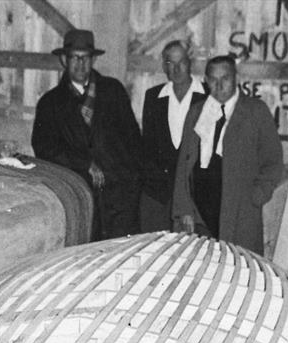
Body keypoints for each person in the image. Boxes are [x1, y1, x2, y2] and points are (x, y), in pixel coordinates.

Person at [32, 28, 142, 241]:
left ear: (93, 60)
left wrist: (130, 180)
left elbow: (133, 139)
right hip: (79, 197)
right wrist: (85, 163)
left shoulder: (113, 91)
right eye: (74, 58)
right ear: (64, 60)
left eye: (85, 58)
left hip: (120, 197)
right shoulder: (50, 103)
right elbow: (44, 148)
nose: (80, 64)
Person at [171, 54, 283, 255]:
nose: (219, 85)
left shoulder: (255, 112)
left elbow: (273, 163)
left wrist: (256, 196)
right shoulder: (197, 113)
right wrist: (184, 209)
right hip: (199, 215)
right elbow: (184, 165)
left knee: (237, 268)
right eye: (213, 80)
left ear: (235, 78)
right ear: (206, 81)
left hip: (238, 212)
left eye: (225, 79)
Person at [140, 41, 207, 232]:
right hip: (159, 196)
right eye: (170, 63)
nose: (176, 69)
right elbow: (148, 146)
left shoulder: (207, 96)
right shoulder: (153, 97)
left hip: (195, 199)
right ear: (164, 66)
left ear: (190, 63)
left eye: (182, 62)